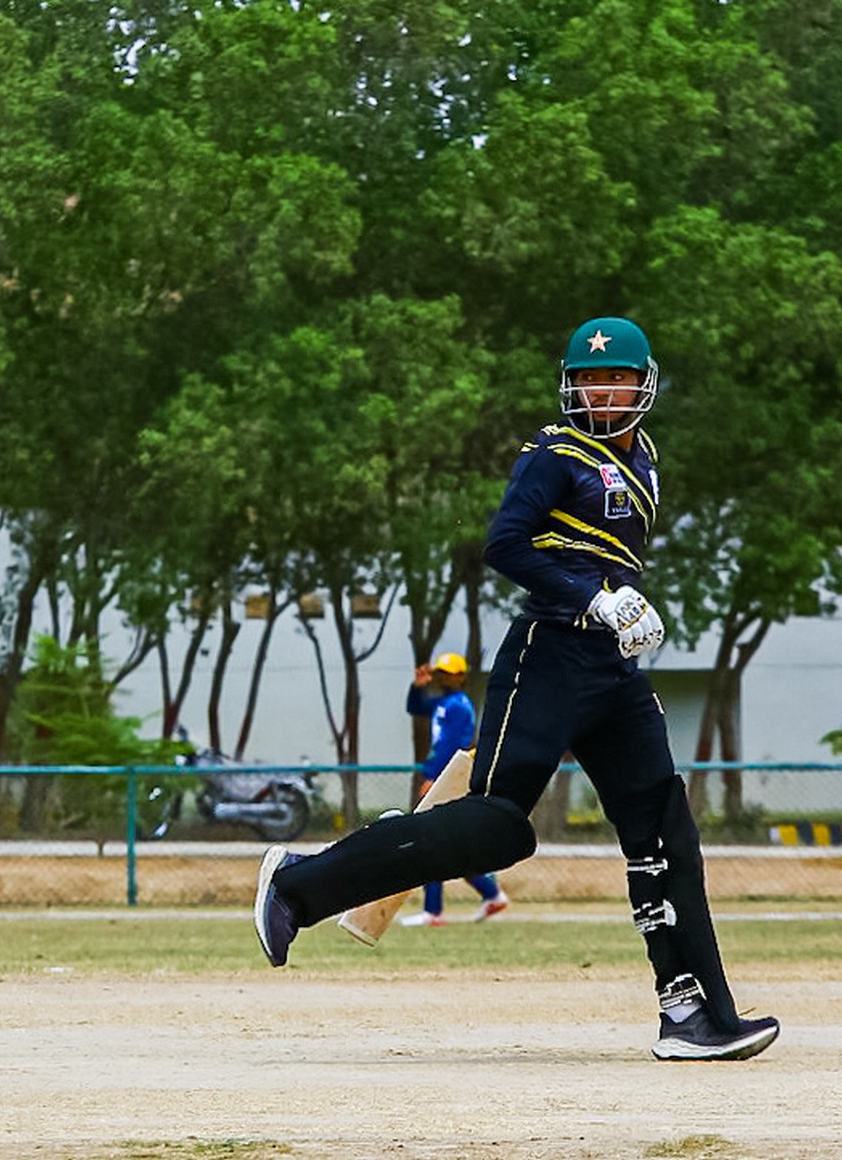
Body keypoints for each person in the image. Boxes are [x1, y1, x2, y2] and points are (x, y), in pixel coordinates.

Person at [255, 317, 779, 1061]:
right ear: (571, 386)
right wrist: (594, 598)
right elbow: (505, 543)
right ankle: (298, 884)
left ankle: (693, 1013)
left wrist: (623, 610)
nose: (603, 393)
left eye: (617, 379)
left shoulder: (646, 458)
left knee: (665, 830)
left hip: (612, 668)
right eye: (590, 380)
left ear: (643, 384)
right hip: (549, 654)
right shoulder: (555, 454)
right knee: (497, 827)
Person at [400, 653, 507, 927]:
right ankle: (491, 894)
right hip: (443, 776)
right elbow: (416, 707)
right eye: (441, 674)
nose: (443, 679)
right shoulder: (444, 703)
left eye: (449, 674)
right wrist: (417, 687)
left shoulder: (459, 706)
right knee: (449, 845)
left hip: (446, 778)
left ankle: (433, 911)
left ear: (461, 677)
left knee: (430, 841)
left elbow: (451, 746)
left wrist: (434, 778)